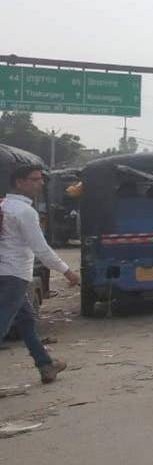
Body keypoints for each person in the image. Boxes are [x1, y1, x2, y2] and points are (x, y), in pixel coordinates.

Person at [0, 165, 79, 384]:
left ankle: (45, 365)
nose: (40, 183)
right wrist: (68, 271)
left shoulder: (4, 206)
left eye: (41, 179)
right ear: (19, 183)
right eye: (35, 179)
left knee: (26, 321)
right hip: (13, 275)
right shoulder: (25, 212)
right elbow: (42, 249)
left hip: (6, 273)